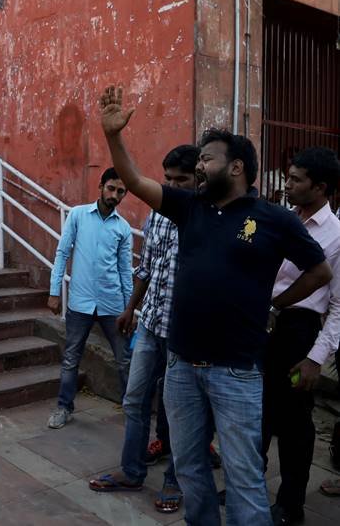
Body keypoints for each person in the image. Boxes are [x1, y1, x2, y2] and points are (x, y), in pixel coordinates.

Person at [99, 86, 332, 526]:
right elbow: (134, 181)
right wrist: (114, 136)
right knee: (189, 468)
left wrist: (276, 302)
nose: (200, 166)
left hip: (237, 372)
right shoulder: (191, 207)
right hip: (182, 367)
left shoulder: (273, 218)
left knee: (244, 475)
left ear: (237, 165)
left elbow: (320, 273)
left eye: (207, 158)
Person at [85, 146, 198, 511]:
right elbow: (147, 267)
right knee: (134, 399)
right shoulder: (158, 214)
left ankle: (174, 482)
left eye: (182, 180)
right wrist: (130, 308)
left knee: (178, 410)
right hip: (150, 322)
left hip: (185, 332)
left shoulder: (206, 218)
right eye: (168, 179)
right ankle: (132, 471)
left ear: (198, 180)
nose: (173, 186)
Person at [262, 147, 340, 526]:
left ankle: (290, 505)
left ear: (320, 187)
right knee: (256, 415)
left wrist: (314, 358)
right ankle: (248, 484)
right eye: (287, 177)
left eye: (295, 180)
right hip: (263, 326)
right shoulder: (281, 219)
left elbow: (339, 306)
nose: (286, 184)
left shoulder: (337, 235)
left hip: (298, 333)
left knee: (294, 424)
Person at [46, 167, 133, 429]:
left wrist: (130, 308)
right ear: (100, 186)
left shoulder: (123, 228)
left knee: (124, 359)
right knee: (71, 357)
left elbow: (125, 271)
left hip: (112, 304)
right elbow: (62, 253)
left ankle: (132, 409)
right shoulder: (78, 215)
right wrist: (53, 291)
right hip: (80, 302)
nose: (114, 195)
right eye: (111, 188)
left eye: (120, 191)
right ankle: (64, 407)